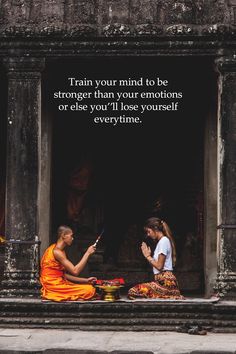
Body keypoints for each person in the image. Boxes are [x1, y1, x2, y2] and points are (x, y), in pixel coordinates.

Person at [128, 217, 184, 300]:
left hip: (166, 283)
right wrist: (149, 257)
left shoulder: (164, 241)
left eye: (148, 231)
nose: (148, 234)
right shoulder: (162, 241)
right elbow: (157, 266)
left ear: (155, 229)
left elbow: (159, 266)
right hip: (162, 282)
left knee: (133, 291)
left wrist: (148, 256)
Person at [40, 225, 97, 302]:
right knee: (89, 290)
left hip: (59, 282)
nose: (72, 239)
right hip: (53, 285)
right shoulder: (57, 252)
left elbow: (63, 275)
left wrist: (86, 280)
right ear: (63, 236)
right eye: (71, 236)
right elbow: (75, 271)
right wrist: (87, 253)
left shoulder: (60, 250)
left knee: (88, 287)